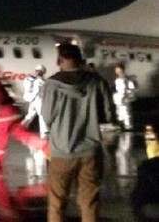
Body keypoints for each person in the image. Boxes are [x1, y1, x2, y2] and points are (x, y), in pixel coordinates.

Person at [41, 43, 115, 222]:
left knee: (57, 201)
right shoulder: (97, 81)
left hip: (61, 150)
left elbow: (46, 115)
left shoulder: (52, 84)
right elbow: (108, 114)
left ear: (60, 60)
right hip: (90, 150)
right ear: (80, 59)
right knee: (89, 200)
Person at [0, 63, 48, 165]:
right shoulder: (2, 80)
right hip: (13, 111)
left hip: (5, 113)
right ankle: (46, 148)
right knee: (20, 133)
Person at [22, 64, 49, 138]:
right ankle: (44, 134)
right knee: (42, 116)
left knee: (30, 115)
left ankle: (21, 128)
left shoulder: (28, 79)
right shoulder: (41, 81)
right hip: (38, 101)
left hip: (32, 100)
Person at [113, 63, 137, 130]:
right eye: (117, 70)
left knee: (126, 112)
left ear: (122, 70)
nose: (118, 72)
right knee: (119, 113)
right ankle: (121, 125)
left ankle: (128, 126)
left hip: (125, 98)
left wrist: (127, 97)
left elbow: (131, 89)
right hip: (119, 98)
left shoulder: (127, 80)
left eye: (119, 70)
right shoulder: (117, 79)